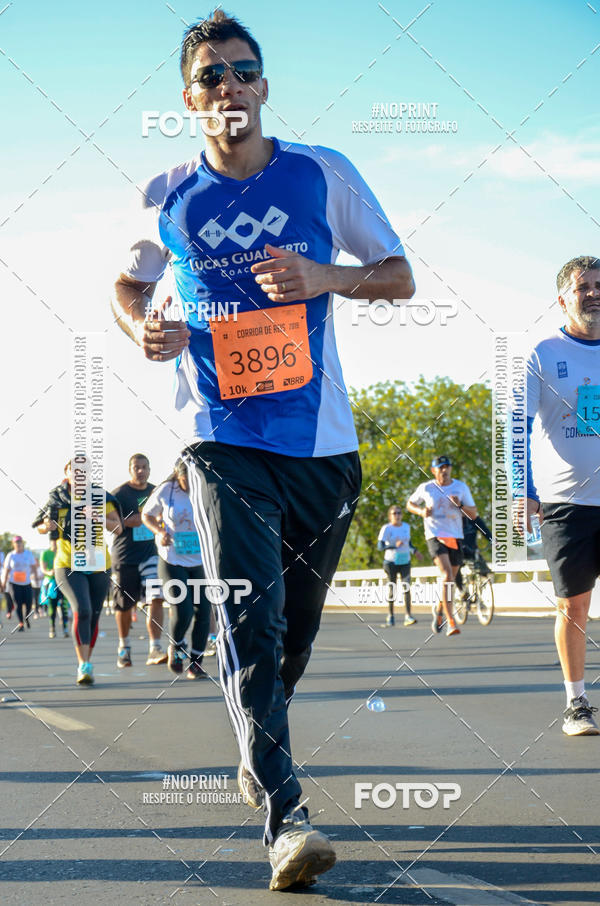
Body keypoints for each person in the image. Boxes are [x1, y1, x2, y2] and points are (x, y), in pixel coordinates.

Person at [111, 10, 414, 890]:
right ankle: (288, 822)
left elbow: (398, 275)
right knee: (250, 617)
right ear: (188, 99)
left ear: (265, 87)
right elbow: (129, 283)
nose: (230, 87)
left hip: (323, 446)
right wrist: (143, 327)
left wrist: (326, 277)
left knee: (292, 633)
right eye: (212, 77)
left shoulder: (323, 173)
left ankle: (256, 745)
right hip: (220, 438)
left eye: (245, 72)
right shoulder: (164, 193)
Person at [516, 255, 600, 736]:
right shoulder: (543, 353)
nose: (592, 293)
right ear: (563, 297)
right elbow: (517, 426)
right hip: (566, 504)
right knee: (575, 605)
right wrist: (522, 492)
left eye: (598, 284)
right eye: (582, 285)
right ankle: (577, 703)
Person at [37, 461, 122, 684]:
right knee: (81, 609)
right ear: (66, 474)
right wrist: (48, 526)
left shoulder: (100, 498)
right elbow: (41, 525)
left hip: (98, 564)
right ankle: (83, 665)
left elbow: (118, 527)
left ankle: (87, 661)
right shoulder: (57, 498)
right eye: (75, 471)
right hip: (67, 564)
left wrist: (99, 517)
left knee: (93, 614)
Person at [142, 458, 211, 679]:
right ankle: (177, 646)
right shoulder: (166, 490)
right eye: (185, 479)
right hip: (172, 558)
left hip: (200, 559)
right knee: (183, 610)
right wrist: (159, 532)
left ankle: (196, 663)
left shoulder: (206, 486)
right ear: (177, 475)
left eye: (193, 479)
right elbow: (147, 514)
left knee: (203, 611)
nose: (189, 484)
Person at [406, 456, 478, 637]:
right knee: (446, 575)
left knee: (450, 580)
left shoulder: (460, 487)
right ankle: (450, 621)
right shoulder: (426, 487)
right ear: (433, 471)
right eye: (440, 468)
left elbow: (474, 514)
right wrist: (421, 511)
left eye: (447, 467)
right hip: (435, 536)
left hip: (455, 536)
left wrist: (459, 505)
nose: (444, 471)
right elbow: (410, 504)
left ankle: (439, 610)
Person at [111, 454, 166, 669]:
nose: (140, 471)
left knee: (156, 598)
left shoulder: (156, 492)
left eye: (144, 467)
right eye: (136, 467)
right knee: (124, 605)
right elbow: (113, 525)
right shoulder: (119, 494)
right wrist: (130, 521)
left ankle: (155, 647)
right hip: (125, 557)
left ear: (150, 469)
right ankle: (124, 647)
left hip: (150, 555)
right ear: (130, 470)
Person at [377, 505, 421, 626]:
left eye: (399, 513)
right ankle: (390, 616)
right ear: (390, 516)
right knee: (392, 589)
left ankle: (408, 616)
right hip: (391, 562)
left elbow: (409, 544)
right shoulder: (386, 528)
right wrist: (394, 546)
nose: (397, 515)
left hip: (405, 561)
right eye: (394, 513)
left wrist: (415, 551)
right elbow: (380, 547)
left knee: (407, 588)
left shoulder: (407, 527)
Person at [1, 537, 38, 631]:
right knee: (18, 604)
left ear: (22, 543)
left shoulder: (28, 554)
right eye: (16, 542)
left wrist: (36, 577)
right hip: (14, 583)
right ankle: (21, 623)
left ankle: (26, 618)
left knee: (29, 603)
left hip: (27, 583)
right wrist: (3, 584)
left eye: (19, 542)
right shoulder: (11, 555)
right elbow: (6, 570)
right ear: (13, 544)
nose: (18, 544)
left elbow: (33, 567)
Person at [454, 513, 492, 600]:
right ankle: (461, 590)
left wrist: (492, 540)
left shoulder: (474, 519)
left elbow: (485, 531)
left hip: (472, 551)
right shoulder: (453, 520)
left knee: (483, 569)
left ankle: (479, 595)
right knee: (455, 567)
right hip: (458, 551)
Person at [39, 545, 70, 639]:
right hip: (51, 584)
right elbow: (43, 569)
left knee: (64, 606)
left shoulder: (64, 552)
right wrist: (49, 572)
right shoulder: (46, 553)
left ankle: (65, 629)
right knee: (52, 607)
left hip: (63, 582)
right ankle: (52, 628)